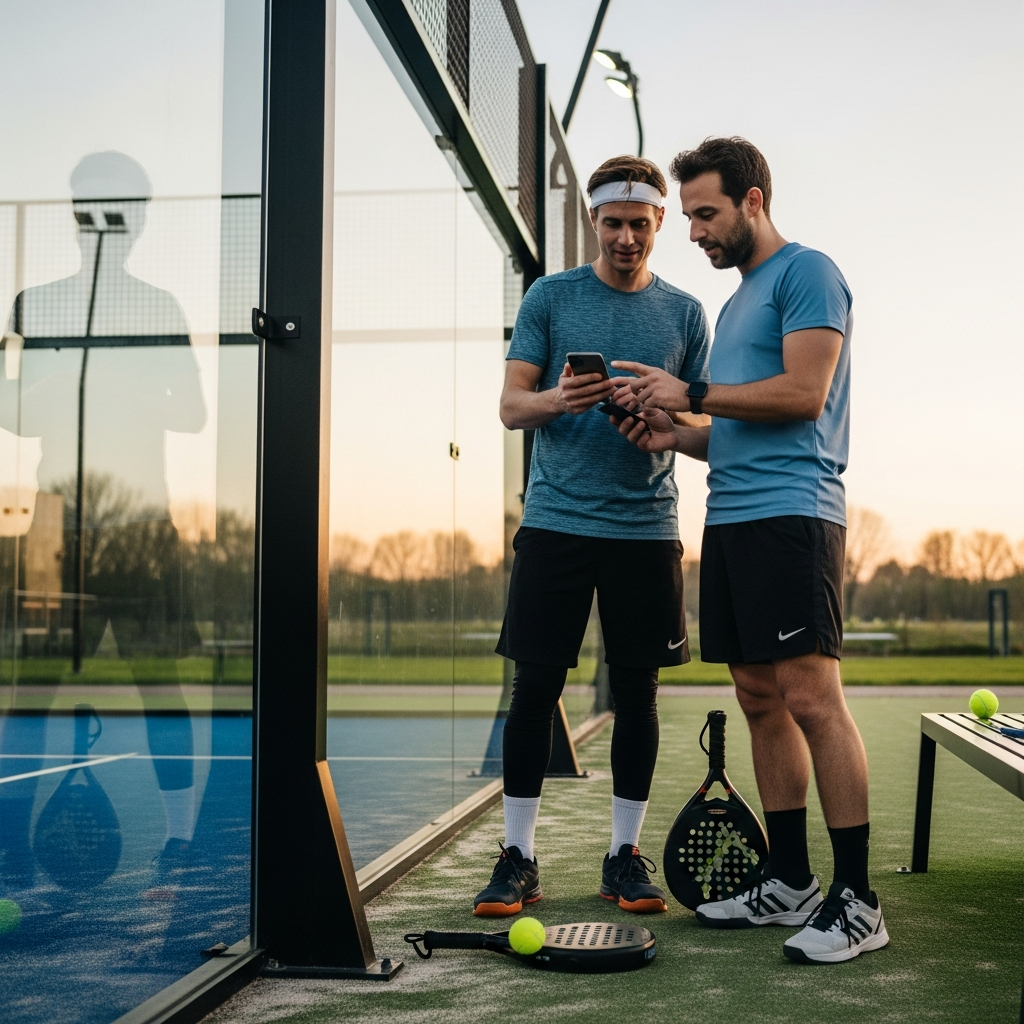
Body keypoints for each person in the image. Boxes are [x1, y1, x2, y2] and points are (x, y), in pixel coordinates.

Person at [611, 136, 887, 963]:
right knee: (758, 695)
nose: (693, 231)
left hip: (794, 515)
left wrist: (691, 391)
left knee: (811, 697)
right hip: (730, 517)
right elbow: (734, 426)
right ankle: (791, 880)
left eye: (705, 213)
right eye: (691, 216)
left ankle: (858, 901)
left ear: (753, 200)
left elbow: (803, 394)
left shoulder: (808, 273)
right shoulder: (736, 305)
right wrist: (675, 431)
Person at [472, 155, 710, 917]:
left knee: (638, 695)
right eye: (613, 224)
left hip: (647, 528)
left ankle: (623, 858)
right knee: (533, 690)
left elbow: (705, 427)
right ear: (593, 221)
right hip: (556, 524)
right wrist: (561, 398)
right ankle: (518, 857)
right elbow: (511, 407)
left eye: (640, 224)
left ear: (660, 222)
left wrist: (665, 421)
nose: (626, 238)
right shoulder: (551, 296)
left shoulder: (686, 313)